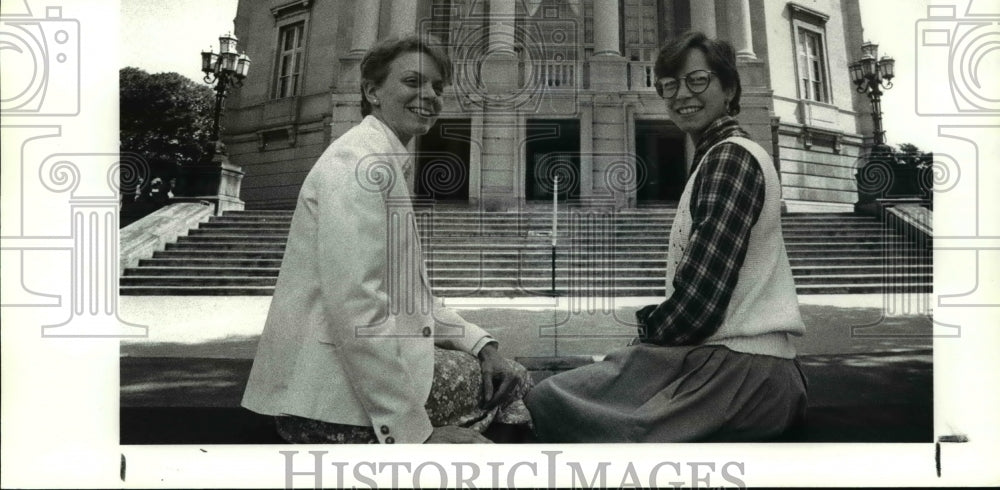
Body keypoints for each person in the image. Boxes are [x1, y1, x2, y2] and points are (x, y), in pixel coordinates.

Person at [242, 34, 531, 444]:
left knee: (503, 372)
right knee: (515, 387)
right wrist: (415, 436)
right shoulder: (358, 163)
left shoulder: (379, 157)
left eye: (437, 86)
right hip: (331, 404)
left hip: (340, 388)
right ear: (372, 91)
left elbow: (412, 300)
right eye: (413, 82)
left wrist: (482, 345)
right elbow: (357, 306)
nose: (429, 95)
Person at [526, 31, 807, 442]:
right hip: (732, 365)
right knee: (576, 389)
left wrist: (642, 334)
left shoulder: (729, 158)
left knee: (550, 403)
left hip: (739, 374)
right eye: (669, 85)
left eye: (697, 80)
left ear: (729, 87)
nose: (681, 95)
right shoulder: (720, 154)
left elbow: (699, 303)